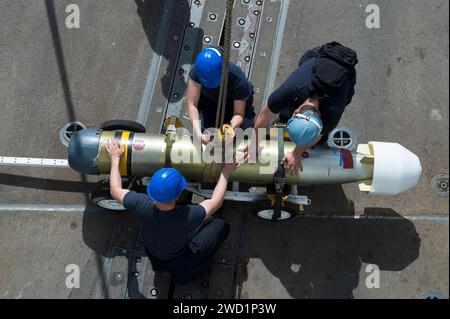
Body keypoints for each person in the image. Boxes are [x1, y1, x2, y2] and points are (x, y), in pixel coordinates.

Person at [105, 138, 237, 284]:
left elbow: (115, 191)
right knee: (221, 226)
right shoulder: (187, 216)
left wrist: (115, 158)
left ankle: (164, 268)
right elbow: (215, 203)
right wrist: (225, 173)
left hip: (153, 252)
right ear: (176, 196)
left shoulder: (141, 204)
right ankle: (185, 275)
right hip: (180, 259)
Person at [245, 41, 358, 175]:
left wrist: (296, 153)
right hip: (317, 57)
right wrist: (255, 142)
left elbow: (317, 136)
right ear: (296, 111)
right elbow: (264, 116)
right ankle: (285, 119)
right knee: (301, 69)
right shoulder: (288, 91)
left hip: (346, 74)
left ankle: (291, 124)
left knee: (324, 135)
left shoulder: (332, 115)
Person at [187, 47, 256, 144]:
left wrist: (229, 129)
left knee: (243, 134)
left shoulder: (238, 78)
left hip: (234, 105)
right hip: (209, 103)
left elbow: (239, 114)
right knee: (206, 133)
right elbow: (192, 105)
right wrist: (198, 134)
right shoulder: (198, 72)